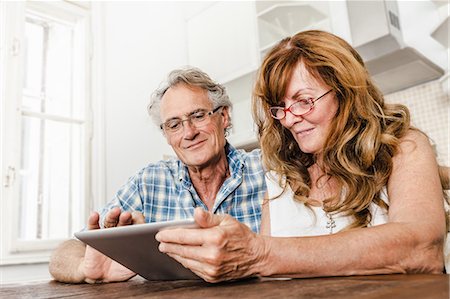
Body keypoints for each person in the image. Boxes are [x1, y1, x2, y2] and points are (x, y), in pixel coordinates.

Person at [156, 30, 450, 282]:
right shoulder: (279, 174)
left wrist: (261, 253)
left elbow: (422, 248)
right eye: (280, 107)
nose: (288, 119)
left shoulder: (405, 147)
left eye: (303, 101)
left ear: (345, 92)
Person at [48, 67, 266, 283]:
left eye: (198, 116)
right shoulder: (148, 183)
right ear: (167, 135)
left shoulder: (267, 170)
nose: (189, 133)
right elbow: (66, 252)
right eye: (174, 124)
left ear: (224, 116)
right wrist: (85, 268)